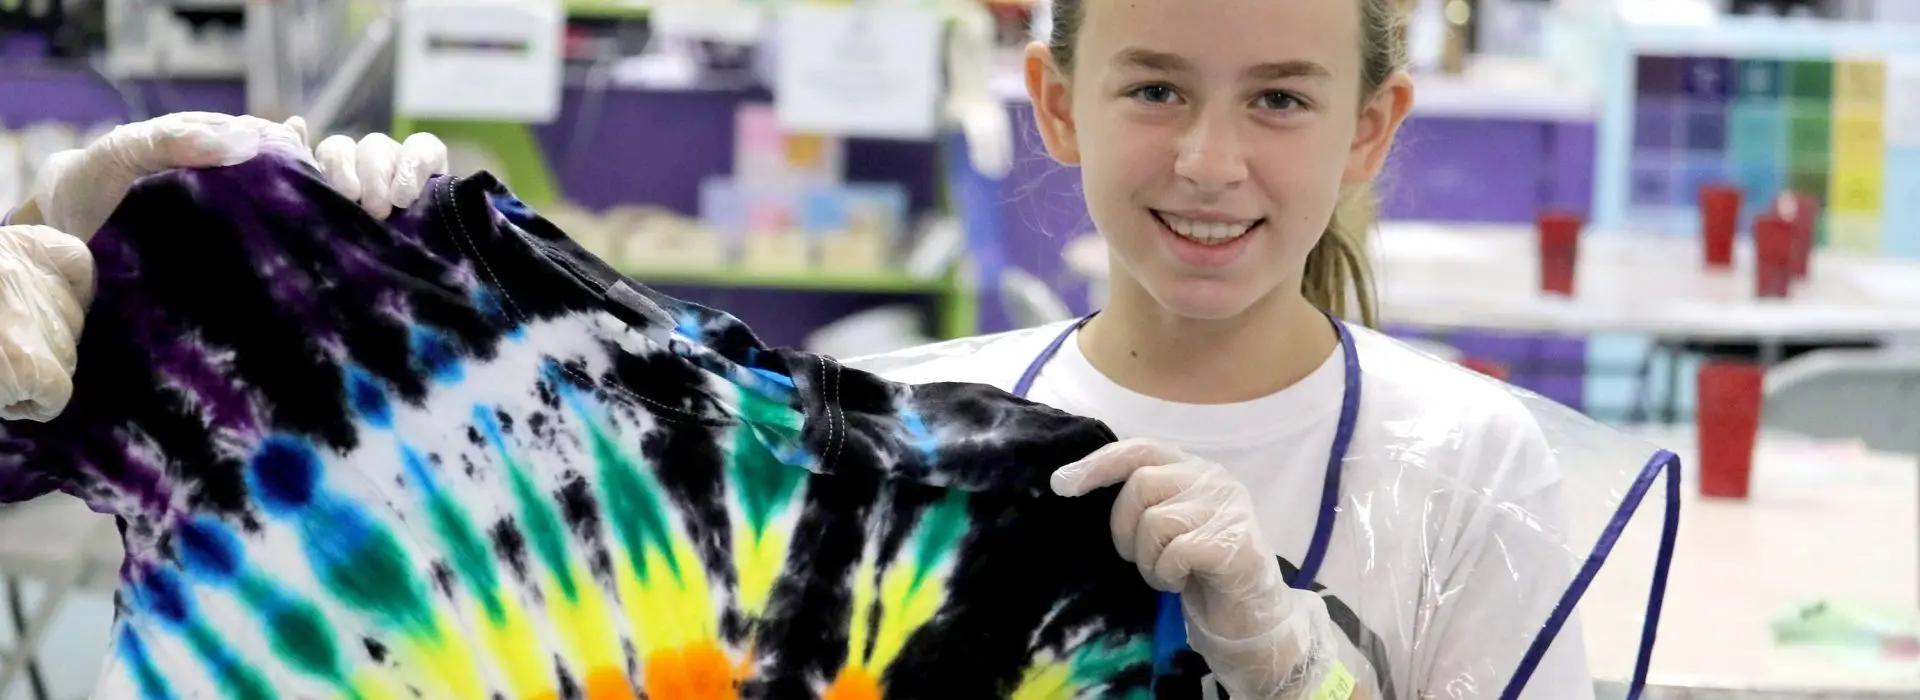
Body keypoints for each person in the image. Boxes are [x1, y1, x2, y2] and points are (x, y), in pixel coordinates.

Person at [1, 0, 1676, 697]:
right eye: (1156, 84)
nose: (1212, 160)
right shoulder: (921, 452)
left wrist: (1289, 669)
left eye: (1283, 99)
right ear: (1057, 101)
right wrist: (285, 299)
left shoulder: (1479, 467)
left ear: (1374, 130)